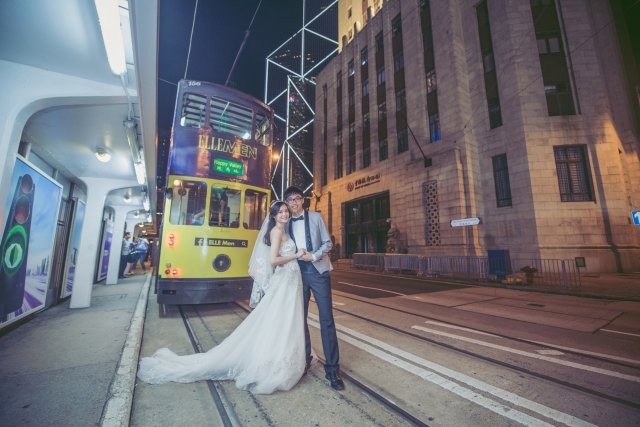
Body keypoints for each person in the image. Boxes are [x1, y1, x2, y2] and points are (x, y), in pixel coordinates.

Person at [137, 201, 308, 394]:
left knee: (283, 321)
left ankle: (281, 356)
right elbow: (273, 260)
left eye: (286, 211)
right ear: (274, 215)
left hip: (289, 282)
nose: (285, 214)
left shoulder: (282, 230)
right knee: (280, 320)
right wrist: (296, 255)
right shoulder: (277, 232)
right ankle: (274, 361)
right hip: (285, 283)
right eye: (281, 212)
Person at [283, 186, 344, 390]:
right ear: (286, 202)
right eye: (289, 199)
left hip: (318, 272)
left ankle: (333, 369)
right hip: (296, 274)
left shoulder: (317, 217)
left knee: (327, 319)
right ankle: (305, 360)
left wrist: (314, 256)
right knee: (300, 319)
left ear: (303, 200)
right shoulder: (284, 222)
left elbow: (328, 243)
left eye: (297, 198)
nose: (293, 203)